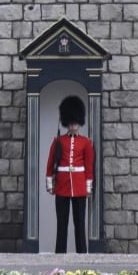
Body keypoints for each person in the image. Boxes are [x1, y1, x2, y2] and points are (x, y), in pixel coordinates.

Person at [45, 95, 94, 254]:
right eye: (71, 123)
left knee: (80, 223)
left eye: (76, 123)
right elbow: (50, 162)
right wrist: (50, 184)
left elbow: (88, 165)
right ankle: (59, 254)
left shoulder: (86, 142)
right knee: (62, 223)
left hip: (79, 186)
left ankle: (82, 254)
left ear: (79, 123)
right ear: (67, 123)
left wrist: (88, 187)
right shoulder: (58, 141)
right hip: (62, 185)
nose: (73, 127)